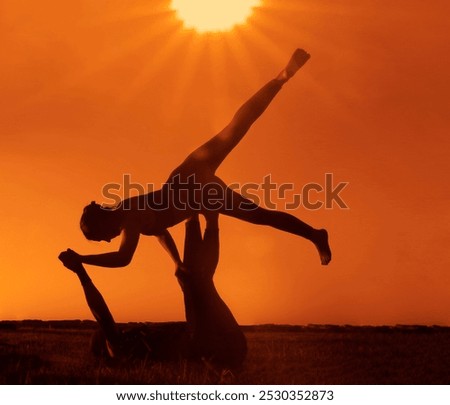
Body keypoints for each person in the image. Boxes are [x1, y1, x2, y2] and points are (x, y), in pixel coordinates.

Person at [60, 49, 331, 269]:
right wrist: (177, 262)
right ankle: (315, 235)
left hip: (192, 189)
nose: (108, 240)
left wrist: (81, 260)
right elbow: (160, 232)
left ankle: (281, 78)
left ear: (104, 223)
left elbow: (123, 259)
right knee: (236, 131)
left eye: (101, 237)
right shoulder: (129, 214)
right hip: (189, 178)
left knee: (238, 139)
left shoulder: (128, 219)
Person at [58, 213, 247, 372]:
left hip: (224, 343)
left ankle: (201, 217)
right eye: (112, 332)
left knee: (193, 277)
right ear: (104, 344)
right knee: (194, 279)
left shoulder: (138, 341)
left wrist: (176, 261)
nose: (120, 328)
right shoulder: (119, 349)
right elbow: (102, 315)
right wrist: (81, 271)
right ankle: (196, 215)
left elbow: (159, 231)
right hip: (216, 349)